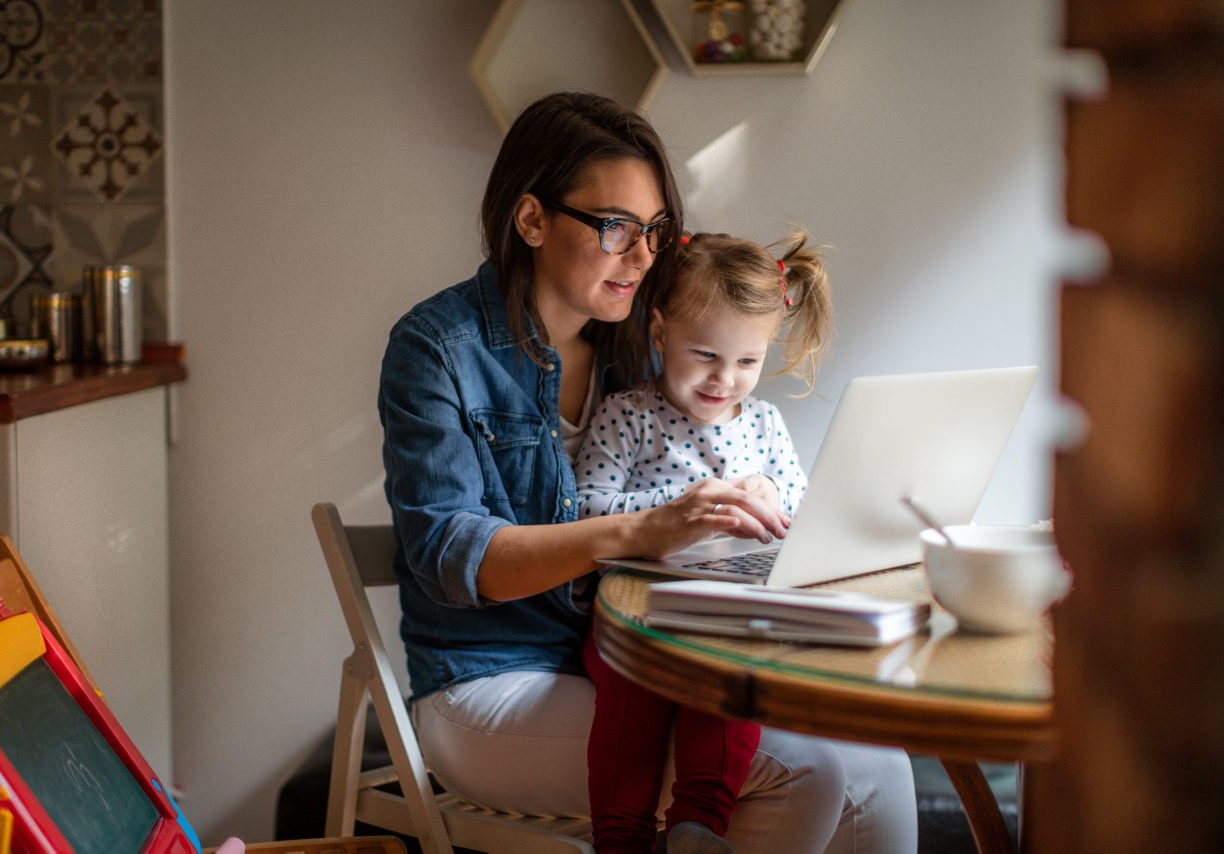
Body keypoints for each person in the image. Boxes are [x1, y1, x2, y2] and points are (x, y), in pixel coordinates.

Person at [378, 91, 917, 852]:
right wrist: (644, 529)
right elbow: (452, 558)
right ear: (531, 220)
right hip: (494, 674)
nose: (643, 257)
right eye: (616, 228)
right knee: (802, 770)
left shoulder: (646, 346)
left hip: (644, 653)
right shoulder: (439, 349)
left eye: (656, 231)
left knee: (881, 762)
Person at [575, 229, 832, 853]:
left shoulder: (765, 425)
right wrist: (679, 511)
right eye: (705, 355)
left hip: (730, 613)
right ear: (658, 333)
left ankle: (697, 828)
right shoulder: (627, 415)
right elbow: (587, 507)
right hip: (639, 614)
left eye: (747, 362)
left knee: (733, 682)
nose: (725, 379)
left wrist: (773, 495)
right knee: (632, 689)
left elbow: (805, 512)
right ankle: (621, 836)